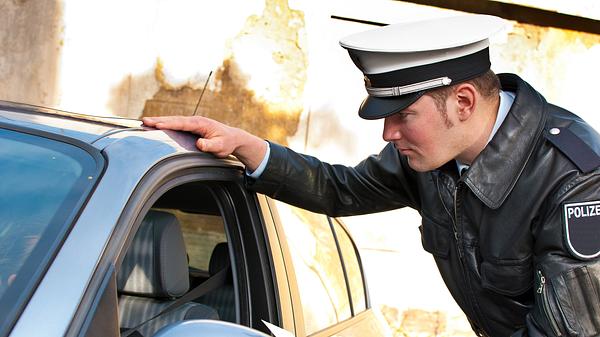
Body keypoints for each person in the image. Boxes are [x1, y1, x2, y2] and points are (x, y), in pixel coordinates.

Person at [142, 14, 600, 337]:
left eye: (403, 114)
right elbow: (339, 189)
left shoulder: (577, 180)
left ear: (463, 102)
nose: (387, 132)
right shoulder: (433, 154)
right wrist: (247, 145)